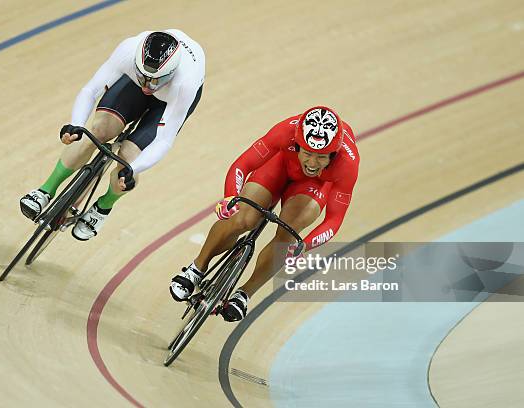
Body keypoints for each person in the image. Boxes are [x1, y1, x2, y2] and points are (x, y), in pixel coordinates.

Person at [170, 106, 360, 321]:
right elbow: (243, 164)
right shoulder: (285, 132)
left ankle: (244, 294)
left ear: (333, 155)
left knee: (287, 239)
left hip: (314, 186)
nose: (312, 163)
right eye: (307, 153)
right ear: (297, 145)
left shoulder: (347, 164)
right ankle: (196, 269)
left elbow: (335, 219)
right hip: (280, 165)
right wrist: (230, 197)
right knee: (242, 218)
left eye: (321, 157)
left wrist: (304, 246)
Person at [20, 30, 204, 240]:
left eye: (153, 81)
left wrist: (133, 168)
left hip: (169, 101)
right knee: (96, 132)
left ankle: (103, 206)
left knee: (130, 156)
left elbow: (164, 140)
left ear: (170, 73)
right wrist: (76, 125)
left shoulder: (185, 84)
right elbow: (91, 90)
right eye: (143, 76)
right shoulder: (128, 50)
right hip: (132, 85)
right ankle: (45, 190)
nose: (146, 85)